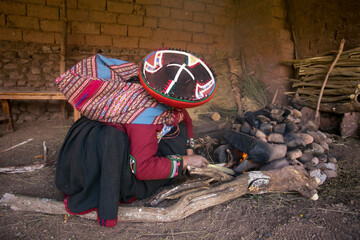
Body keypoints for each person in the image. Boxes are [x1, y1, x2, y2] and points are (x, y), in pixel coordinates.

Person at [55, 49, 217, 227]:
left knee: (177, 135)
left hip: (88, 144)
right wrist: (185, 161)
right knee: (152, 174)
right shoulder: (145, 116)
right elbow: (142, 168)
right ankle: (114, 187)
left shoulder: (155, 85)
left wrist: (190, 150)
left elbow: (187, 121)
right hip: (94, 161)